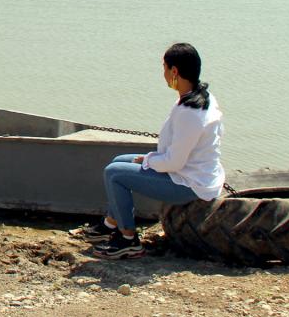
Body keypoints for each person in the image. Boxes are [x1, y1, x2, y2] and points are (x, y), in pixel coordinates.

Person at [79, 42, 225, 259]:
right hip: (193, 172)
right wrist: (148, 160)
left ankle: (128, 240)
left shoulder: (190, 113)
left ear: (174, 71)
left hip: (190, 184)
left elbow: (174, 163)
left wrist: (146, 160)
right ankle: (111, 223)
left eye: (165, 68)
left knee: (114, 173)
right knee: (119, 161)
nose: (164, 74)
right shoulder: (201, 97)